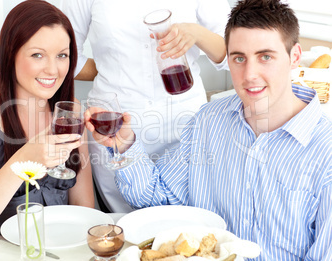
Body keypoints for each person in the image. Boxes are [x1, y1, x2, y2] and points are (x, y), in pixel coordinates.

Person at [85, 0, 332, 259]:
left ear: (294, 56)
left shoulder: (324, 152)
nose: (250, 74)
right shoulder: (209, 121)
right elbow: (157, 198)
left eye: (265, 57)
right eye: (239, 58)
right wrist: (125, 145)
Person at [0, 1, 94, 260]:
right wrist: (25, 158)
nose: (53, 69)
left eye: (62, 55)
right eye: (37, 55)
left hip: (58, 253)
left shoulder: (69, 112)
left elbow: (84, 208)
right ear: (11, 54)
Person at [61, 0, 231, 213]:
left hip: (185, 126)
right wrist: (109, 68)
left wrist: (196, 33)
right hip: (114, 127)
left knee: (189, 225)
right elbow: (64, 55)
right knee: (126, 228)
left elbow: (232, 53)